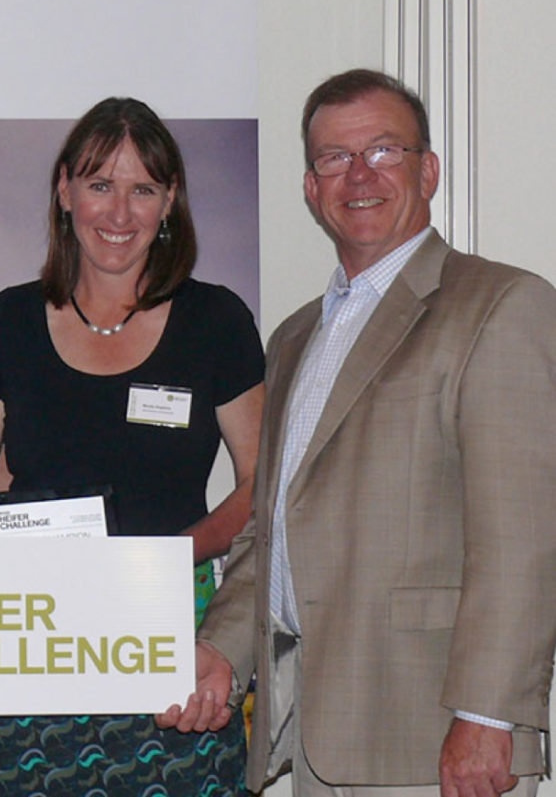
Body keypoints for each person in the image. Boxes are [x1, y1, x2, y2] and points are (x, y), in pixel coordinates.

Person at [159, 69, 556, 797]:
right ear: (311, 189)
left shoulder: (502, 304)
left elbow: (522, 538)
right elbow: (271, 527)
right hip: (316, 731)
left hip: (433, 738)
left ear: (428, 169)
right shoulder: (293, 336)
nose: (359, 174)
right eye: (334, 159)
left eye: (383, 150)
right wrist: (222, 645)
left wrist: (486, 714)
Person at [0, 97, 265, 797]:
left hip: (173, 639)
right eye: (99, 185)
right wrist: (5, 550)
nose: (120, 214)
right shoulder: (7, 322)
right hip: (34, 637)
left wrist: (175, 552)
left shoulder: (217, 323)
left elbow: (260, 487)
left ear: (170, 201)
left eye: (142, 189)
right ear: (64, 190)